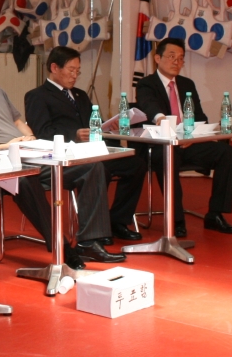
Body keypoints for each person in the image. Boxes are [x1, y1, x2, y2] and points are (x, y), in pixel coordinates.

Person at [0, 46, 121, 268]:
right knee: (26, 179)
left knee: (92, 167)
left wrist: (31, 138)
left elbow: (17, 121)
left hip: (27, 152)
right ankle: (61, 245)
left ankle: (89, 241)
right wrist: (7, 145)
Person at [24, 46, 146, 258]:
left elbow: (94, 126)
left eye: (77, 71)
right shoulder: (37, 96)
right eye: (71, 70)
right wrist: (74, 135)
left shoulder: (80, 95)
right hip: (64, 157)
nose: (75, 75)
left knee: (136, 164)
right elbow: (42, 133)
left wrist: (109, 128)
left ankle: (117, 220)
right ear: (54, 67)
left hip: (90, 152)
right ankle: (90, 238)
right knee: (96, 169)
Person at [135, 37, 232, 237]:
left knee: (226, 153)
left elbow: (199, 116)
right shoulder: (146, 84)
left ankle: (215, 214)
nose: (176, 62)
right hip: (159, 146)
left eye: (180, 58)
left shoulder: (187, 84)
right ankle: (176, 219)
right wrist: (161, 119)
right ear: (157, 58)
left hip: (187, 143)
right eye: (171, 56)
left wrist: (196, 134)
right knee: (169, 157)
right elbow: (149, 106)